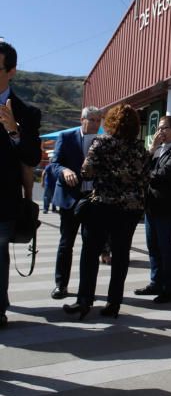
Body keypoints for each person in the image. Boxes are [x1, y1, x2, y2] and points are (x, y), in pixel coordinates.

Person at [63, 103, 149, 320]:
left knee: (90, 253)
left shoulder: (101, 143)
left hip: (102, 205)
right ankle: (113, 304)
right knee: (121, 255)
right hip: (130, 209)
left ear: (110, 122)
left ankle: (84, 301)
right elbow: (145, 177)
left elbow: (87, 173)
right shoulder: (139, 147)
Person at [0, 40, 41, 328]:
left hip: (3, 199)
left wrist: (14, 132)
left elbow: (31, 157)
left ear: (11, 71)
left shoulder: (27, 112)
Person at [134, 115, 171, 303]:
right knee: (153, 247)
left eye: (164, 128)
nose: (160, 132)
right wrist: (152, 149)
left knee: (167, 248)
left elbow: (161, 175)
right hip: (151, 207)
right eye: (158, 128)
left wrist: (145, 173)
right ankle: (155, 282)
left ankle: (169, 288)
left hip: (166, 208)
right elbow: (142, 167)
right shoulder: (158, 150)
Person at [50, 106, 102, 299]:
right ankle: (61, 284)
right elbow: (54, 164)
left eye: (99, 120)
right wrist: (64, 171)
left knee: (91, 246)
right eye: (93, 120)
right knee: (66, 244)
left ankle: (86, 290)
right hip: (70, 198)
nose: (96, 124)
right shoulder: (66, 137)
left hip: (93, 199)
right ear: (82, 119)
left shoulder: (102, 141)